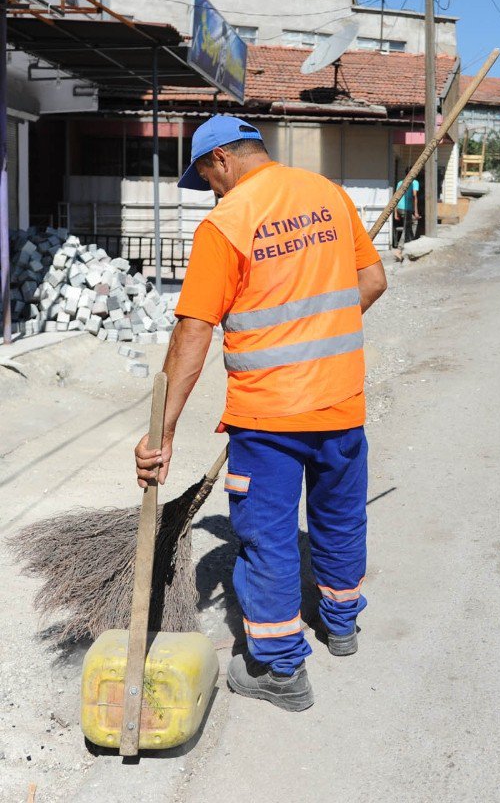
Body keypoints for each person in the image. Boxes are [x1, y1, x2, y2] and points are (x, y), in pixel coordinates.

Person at [134, 115, 387, 712]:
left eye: (207, 179)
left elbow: (194, 332)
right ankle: (341, 624)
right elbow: (372, 281)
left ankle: (280, 671)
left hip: (271, 417)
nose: (212, 193)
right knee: (339, 517)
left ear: (219, 159)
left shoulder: (227, 224)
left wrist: (163, 431)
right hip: (341, 403)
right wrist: (320, 330)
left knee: (267, 536)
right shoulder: (328, 193)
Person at [394, 176, 420, 248]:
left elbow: (396, 197)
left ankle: (409, 241)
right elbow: (414, 196)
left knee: (411, 223)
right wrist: (416, 212)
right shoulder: (415, 182)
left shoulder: (400, 183)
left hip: (400, 208)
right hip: (407, 209)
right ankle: (402, 246)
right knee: (409, 226)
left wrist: (395, 213)